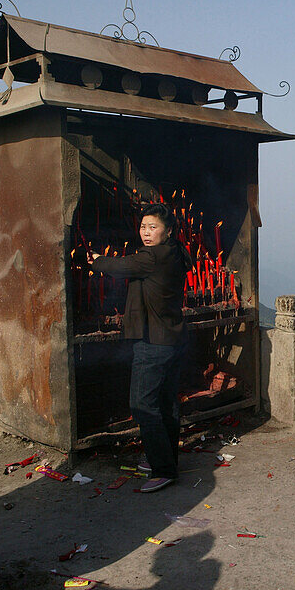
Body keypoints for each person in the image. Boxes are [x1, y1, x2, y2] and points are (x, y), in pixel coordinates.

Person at [91, 203, 190, 493]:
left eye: (153, 227)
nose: (146, 233)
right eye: (144, 227)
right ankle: (165, 459)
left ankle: (163, 470)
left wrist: (96, 260)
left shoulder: (153, 256)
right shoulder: (175, 250)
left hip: (153, 343)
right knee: (166, 404)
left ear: (167, 230)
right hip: (172, 339)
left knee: (142, 405)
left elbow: (121, 266)